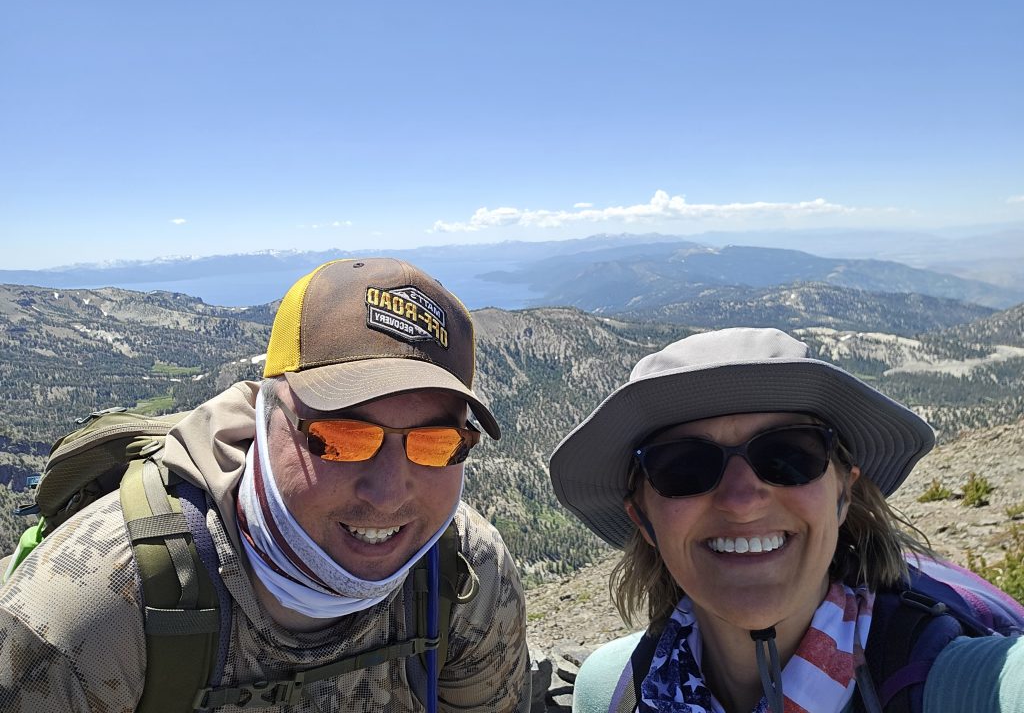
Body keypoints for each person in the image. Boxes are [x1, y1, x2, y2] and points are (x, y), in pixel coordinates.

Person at [0, 258, 531, 712]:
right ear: (263, 413)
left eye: (436, 444)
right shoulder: (90, 607)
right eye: (341, 438)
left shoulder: (465, 573)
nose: (389, 494)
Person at [549, 327, 1024, 713]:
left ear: (843, 493)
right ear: (644, 519)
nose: (742, 501)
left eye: (789, 455)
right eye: (684, 467)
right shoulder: (612, 689)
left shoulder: (957, 684)